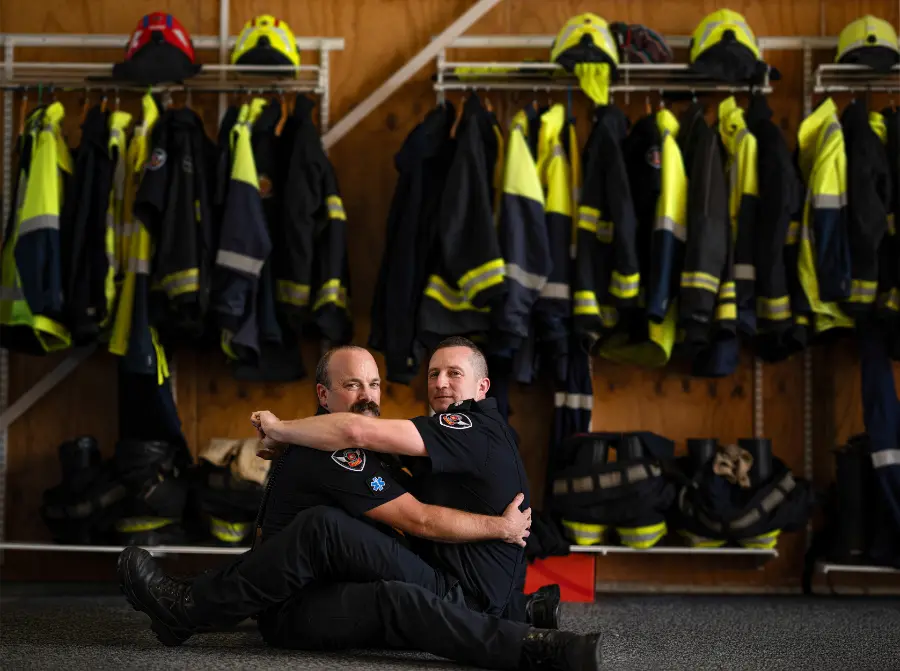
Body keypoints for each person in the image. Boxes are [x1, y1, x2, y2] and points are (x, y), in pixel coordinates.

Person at [119, 340, 601, 669]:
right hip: (294, 607)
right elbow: (411, 508)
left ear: (482, 388)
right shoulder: (345, 447)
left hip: (348, 589)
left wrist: (284, 431)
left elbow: (405, 500)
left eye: (374, 385)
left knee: (358, 554)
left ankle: (191, 606)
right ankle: (190, 607)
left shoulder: (451, 430)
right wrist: (499, 529)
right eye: (353, 385)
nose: (368, 396)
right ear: (324, 395)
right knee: (336, 538)